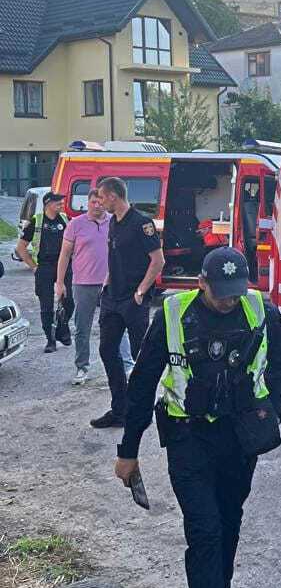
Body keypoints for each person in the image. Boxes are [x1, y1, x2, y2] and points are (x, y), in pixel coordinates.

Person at [114, 247, 281, 588]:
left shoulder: (260, 310)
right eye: (220, 293)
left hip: (239, 438)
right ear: (201, 284)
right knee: (206, 532)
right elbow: (143, 382)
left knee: (229, 526)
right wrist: (128, 449)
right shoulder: (173, 314)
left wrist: (271, 414)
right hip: (189, 440)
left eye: (236, 292)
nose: (229, 301)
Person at [91, 176, 165, 430]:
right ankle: (120, 409)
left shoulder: (142, 223)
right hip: (112, 297)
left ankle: (141, 409)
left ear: (113, 196)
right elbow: (115, 256)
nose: (98, 203)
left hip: (134, 300)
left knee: (140, 355)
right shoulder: (113, 222)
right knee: (107, 351)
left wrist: (141, 291)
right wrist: (107, 282)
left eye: (101, 197)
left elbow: (158, 261)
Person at [56, 188, 109, 385]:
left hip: (109, 284)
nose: (97, 205)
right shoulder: (75, 224)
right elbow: (64, 255)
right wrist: (60, 282)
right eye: (93, 202)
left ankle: (122, 365)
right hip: (83, 283)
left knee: (116, 325)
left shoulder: (114, 222)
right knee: (82, 327)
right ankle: (81, 367)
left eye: (100, 202)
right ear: (87, 202)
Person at [16, 191, 74, 354]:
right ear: (48, 203)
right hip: (45, 267)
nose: (61, 204)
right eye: (58, 202)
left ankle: (63, 328)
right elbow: (20, 248)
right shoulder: (36, 221)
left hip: (65, 265)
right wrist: (34, 267)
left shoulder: (65, 219)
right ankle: (50, 339)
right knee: (46, 306)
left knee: (70, 301)